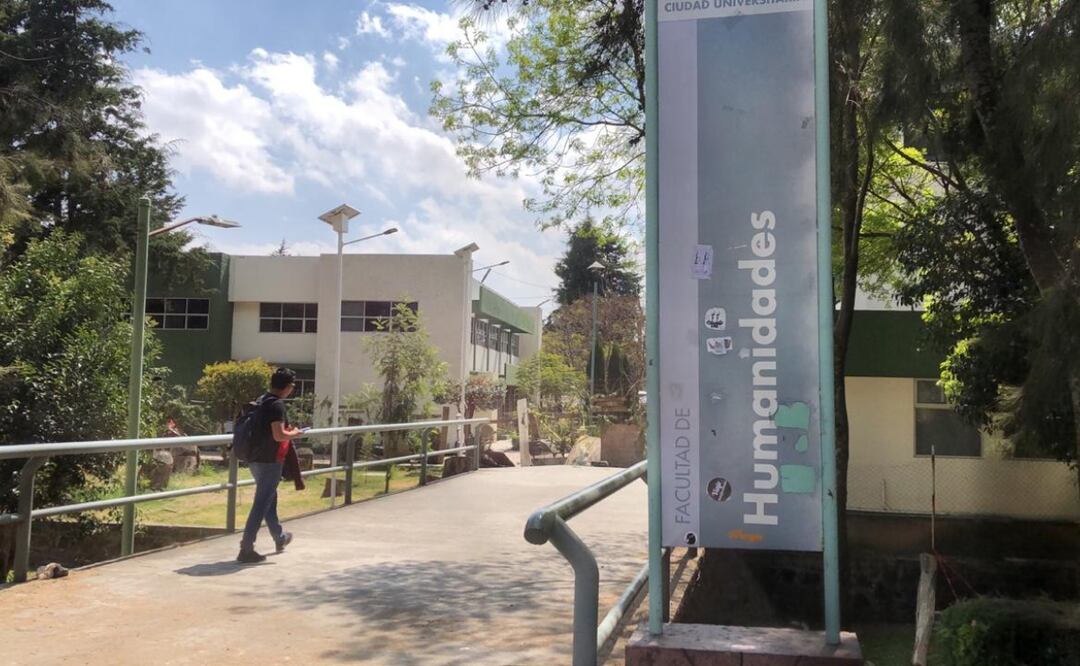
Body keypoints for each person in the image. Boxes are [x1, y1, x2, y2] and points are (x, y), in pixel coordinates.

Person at [237, 367, 303, 564]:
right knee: (261, 503)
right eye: (292, 386)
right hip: (270, 460)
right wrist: (296, 433)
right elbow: (279, 435)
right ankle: (246, 549)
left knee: (268, 499)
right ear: (288, 387)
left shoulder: (261, 400)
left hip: (254, 458)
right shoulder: (276, 406)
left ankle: (279, 537)